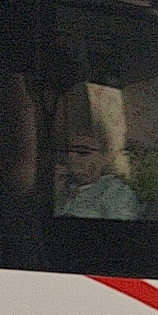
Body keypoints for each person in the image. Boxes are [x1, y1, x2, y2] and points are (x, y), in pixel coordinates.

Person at [54, 82, 138, 221]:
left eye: (83, 153)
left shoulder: (117, 193)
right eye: (66, 151)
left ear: (105, 155)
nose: (71, 158)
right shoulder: (65, 188)